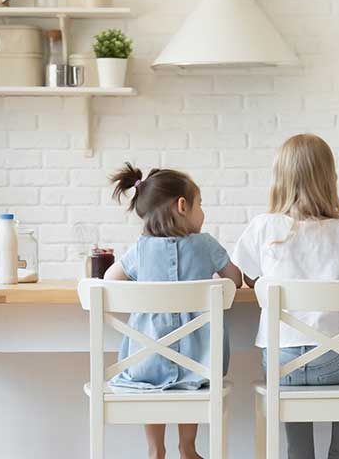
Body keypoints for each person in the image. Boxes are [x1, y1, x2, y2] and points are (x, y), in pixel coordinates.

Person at [232, 134, 339, 459]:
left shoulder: (261, 227)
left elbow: (247, 278)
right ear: (330, 179)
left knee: (288, 381)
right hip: (335, 362)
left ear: (279, 180)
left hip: (282, 363)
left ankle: (300, 453)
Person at [102, 163, 244, 459]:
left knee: (150, 386)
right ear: (183, 206)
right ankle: (188, 448)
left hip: (145, 365)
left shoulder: (140, 249)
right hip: (200, 363)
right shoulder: (206, 245)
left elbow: (110, 281)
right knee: (189, 383)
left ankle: (155, 451)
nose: (203, 213)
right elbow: (235, 279)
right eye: (200, 205)